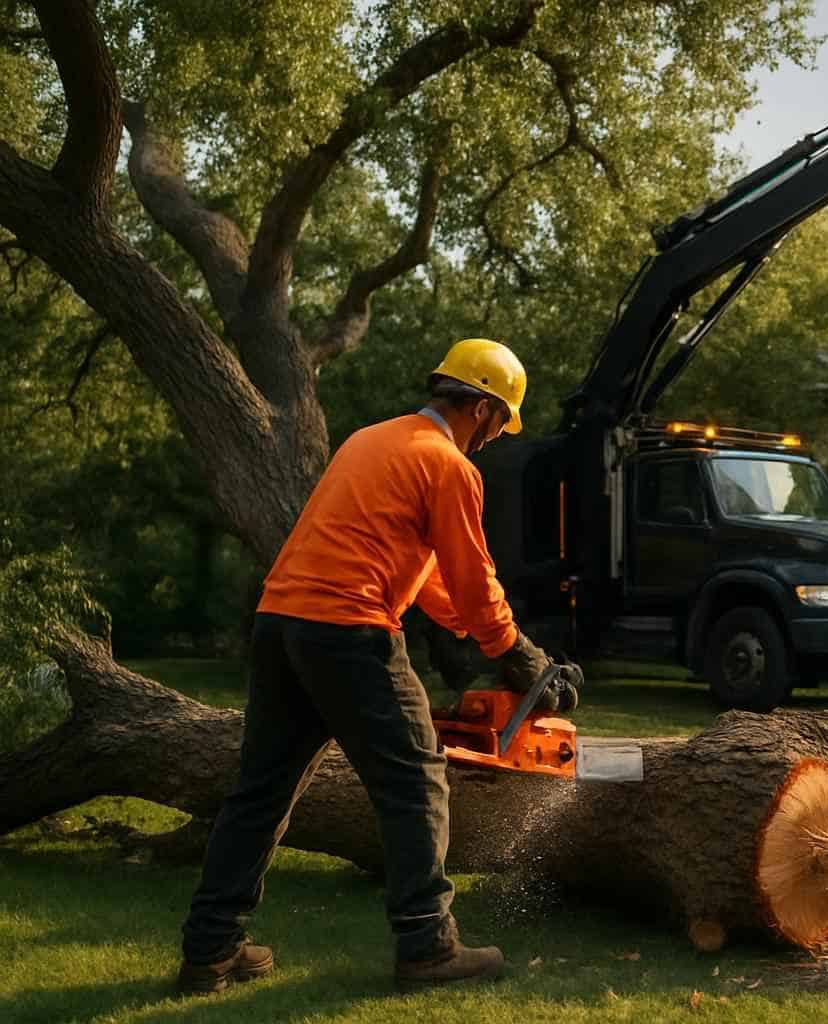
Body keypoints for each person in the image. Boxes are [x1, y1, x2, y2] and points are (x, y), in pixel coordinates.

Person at [176, 339, 580, 994]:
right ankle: (427, 946)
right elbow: (476, 585)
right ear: (480, 406)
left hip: (281, 624)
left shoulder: (375, 441)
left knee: (261, 792)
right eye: (500, 422)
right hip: (347, 628)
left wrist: (500, 646)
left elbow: (430, 585)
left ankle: (210, 951)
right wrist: (518, 654)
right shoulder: (448, 466)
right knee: (416, 780)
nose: (495, 438)